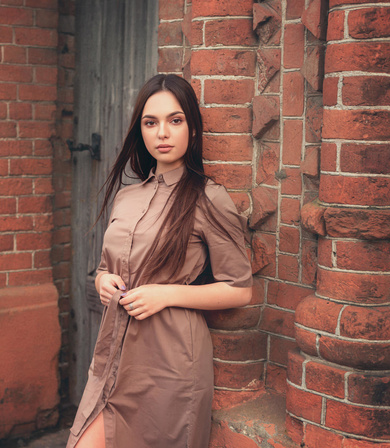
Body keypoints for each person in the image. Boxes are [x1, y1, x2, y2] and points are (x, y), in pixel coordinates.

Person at [67, 74, 254, 448]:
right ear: (141, 132)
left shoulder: (209, 198)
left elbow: (239, 289)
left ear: (193, 131)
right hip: (113, 356)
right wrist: (103, 282)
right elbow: (108, 266)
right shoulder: (127, 197)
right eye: (151, 123)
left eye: (175, 120)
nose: (162, 133)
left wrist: (166, 295)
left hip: (171, 365)